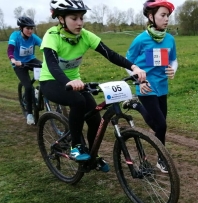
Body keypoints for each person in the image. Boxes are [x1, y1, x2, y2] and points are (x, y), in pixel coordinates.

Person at [39, 0, 146, 171]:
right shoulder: (52, 36)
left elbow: (109, 54)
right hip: (51, 81)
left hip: (76, 84)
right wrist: (68, 82)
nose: (80, 22)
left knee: (95, 119)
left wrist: (133, 67)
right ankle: (75, 147)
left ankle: (92, 156)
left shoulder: (85, 36)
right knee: (78, 102)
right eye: (74, 18)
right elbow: (52, 65)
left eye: (82, 18)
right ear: (61, 19)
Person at [123, 0, 178, 173]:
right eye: (163, 15)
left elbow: (174, 60)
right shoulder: (141, 40)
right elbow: (126, 62)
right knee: (161, 126)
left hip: (162, 86)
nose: (166, 19)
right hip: (146, 87)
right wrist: (138, 78)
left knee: (158, 125)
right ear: (150, 16)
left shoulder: (170, 39)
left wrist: (173, 69)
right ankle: (162, 159)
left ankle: (136, 106)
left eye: (168, 15)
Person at [7, 16, 42, 125]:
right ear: (21, 28)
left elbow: (45, 46)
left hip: (31, 60)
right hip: (18, 64)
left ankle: (38, 92)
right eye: (28, 28)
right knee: (27, 87)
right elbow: (10, 49)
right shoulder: (15, 36)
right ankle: (29, 114)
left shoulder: (33, 37)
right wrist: (13, 60)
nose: (30, 31)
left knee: (45, 69)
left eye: (32, 28)